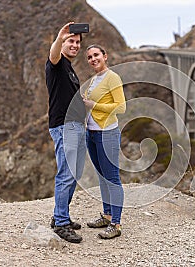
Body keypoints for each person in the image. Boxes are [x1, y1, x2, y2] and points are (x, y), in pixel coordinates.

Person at [45, 22, 86, 243]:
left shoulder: (69, 68)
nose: (75, 45)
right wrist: (60, 36)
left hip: (77, 127)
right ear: (62, 43)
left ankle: (61, 216)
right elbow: (52, 55)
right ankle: (61, 223)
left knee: (75, 174)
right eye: (71, 41)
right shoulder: (57, 63)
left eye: (78, 42)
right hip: (64, 126)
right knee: (66, 174)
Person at [82, 44, 126, 239]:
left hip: (107, 133)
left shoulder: (112, 77)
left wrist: (94, 105)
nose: (93, 59)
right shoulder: (94, 79)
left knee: (112, 179)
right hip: (92, 133)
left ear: (105, 56)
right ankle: (107, 215)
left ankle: (116, 224)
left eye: (96, 55)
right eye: (90, 57)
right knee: (101, 176)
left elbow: (121, 107)